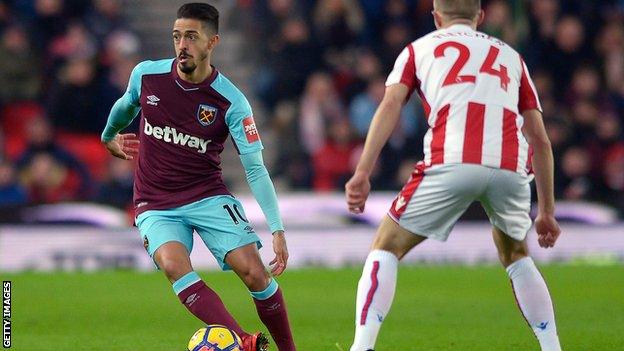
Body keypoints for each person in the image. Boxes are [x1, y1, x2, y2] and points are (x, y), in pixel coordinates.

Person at [344, 1, 562, 350]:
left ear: (436, 17)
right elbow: (541, 139)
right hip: (510, 164)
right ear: (481, 17)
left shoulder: (418, 49)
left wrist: (362, 171)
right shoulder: (511, 56)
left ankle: (362, 346)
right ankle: (553, 347)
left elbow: (390, 106)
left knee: (385, 246)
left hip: (453, 158)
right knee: (516, 255)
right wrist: (547, 211)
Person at [100, 3, 295, 351]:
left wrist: (277, 228)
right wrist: (108, 136)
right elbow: (125, 104)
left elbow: (255, 168)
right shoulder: (147, 75)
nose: (182, 45)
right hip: (155, 201)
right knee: (174, 265)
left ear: (212, 42)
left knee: (255, 273)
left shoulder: (231, 101)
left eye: (192, 37)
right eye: (177, 36)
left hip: (207, 195)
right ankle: (247, 343)